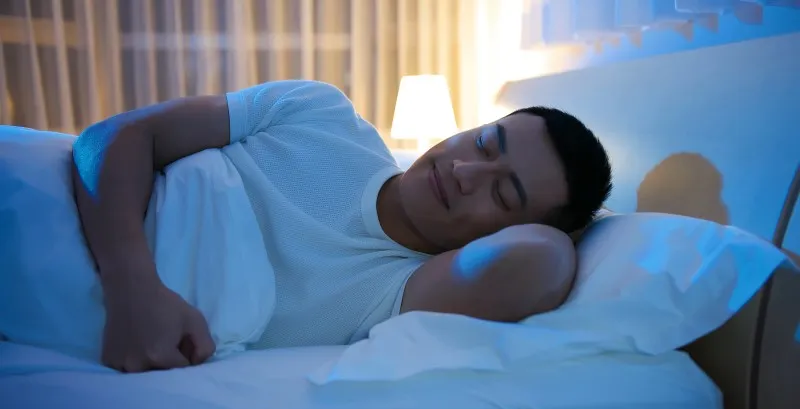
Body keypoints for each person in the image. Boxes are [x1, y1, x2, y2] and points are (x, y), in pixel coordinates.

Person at [69, 79, 612, 373]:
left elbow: (541, 259)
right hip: (67, 205)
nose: (465, 172)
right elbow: (112, 137)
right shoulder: (318, 111)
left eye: (503, 193)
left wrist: (571, 228)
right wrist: (132, 286)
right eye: (484, 143)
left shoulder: (403, 292)